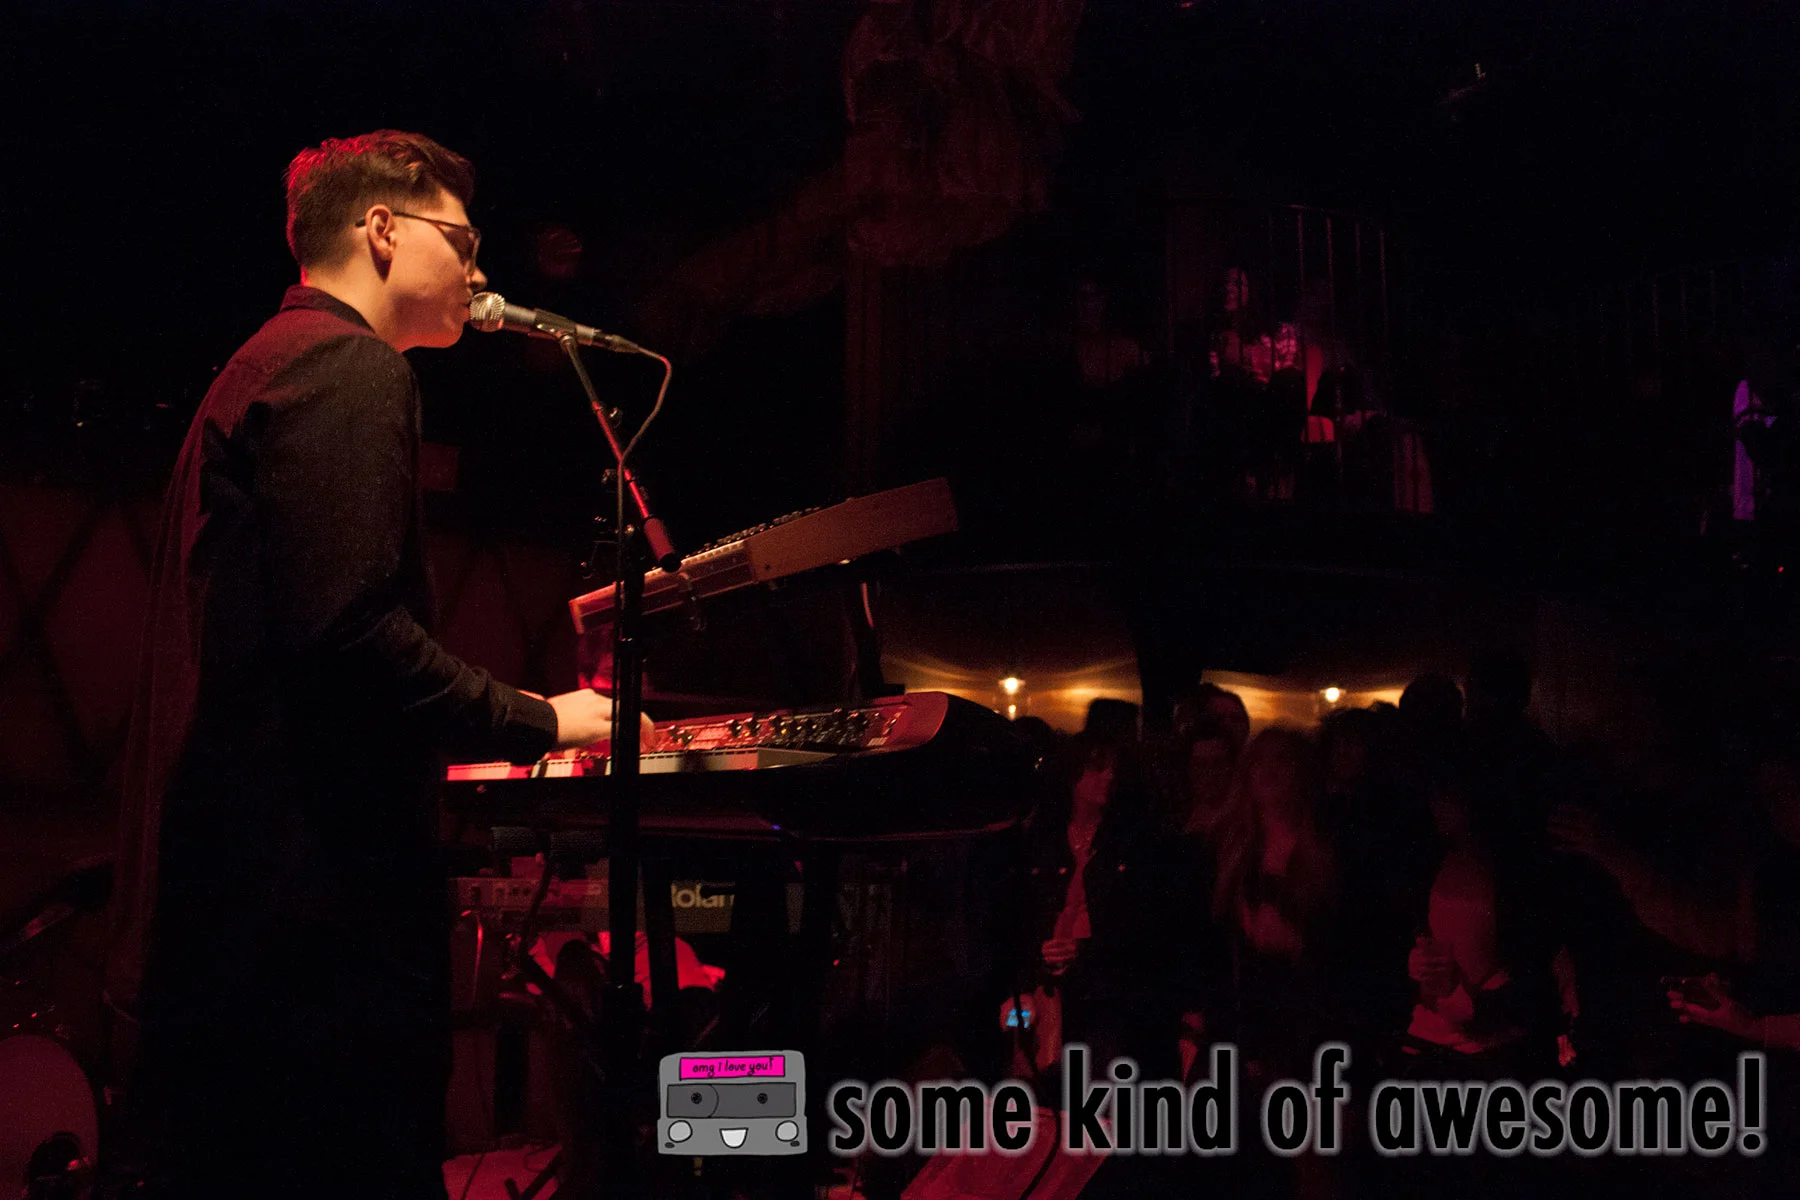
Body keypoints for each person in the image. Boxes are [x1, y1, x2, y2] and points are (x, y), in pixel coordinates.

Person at [104, 131, 639, 1199]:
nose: (480, 271)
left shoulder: (267, 363)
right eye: (463, 240)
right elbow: (349, 634)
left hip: (236, 927)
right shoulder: (347, 366)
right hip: (305, 945)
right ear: (382, 229)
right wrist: (542, 719)